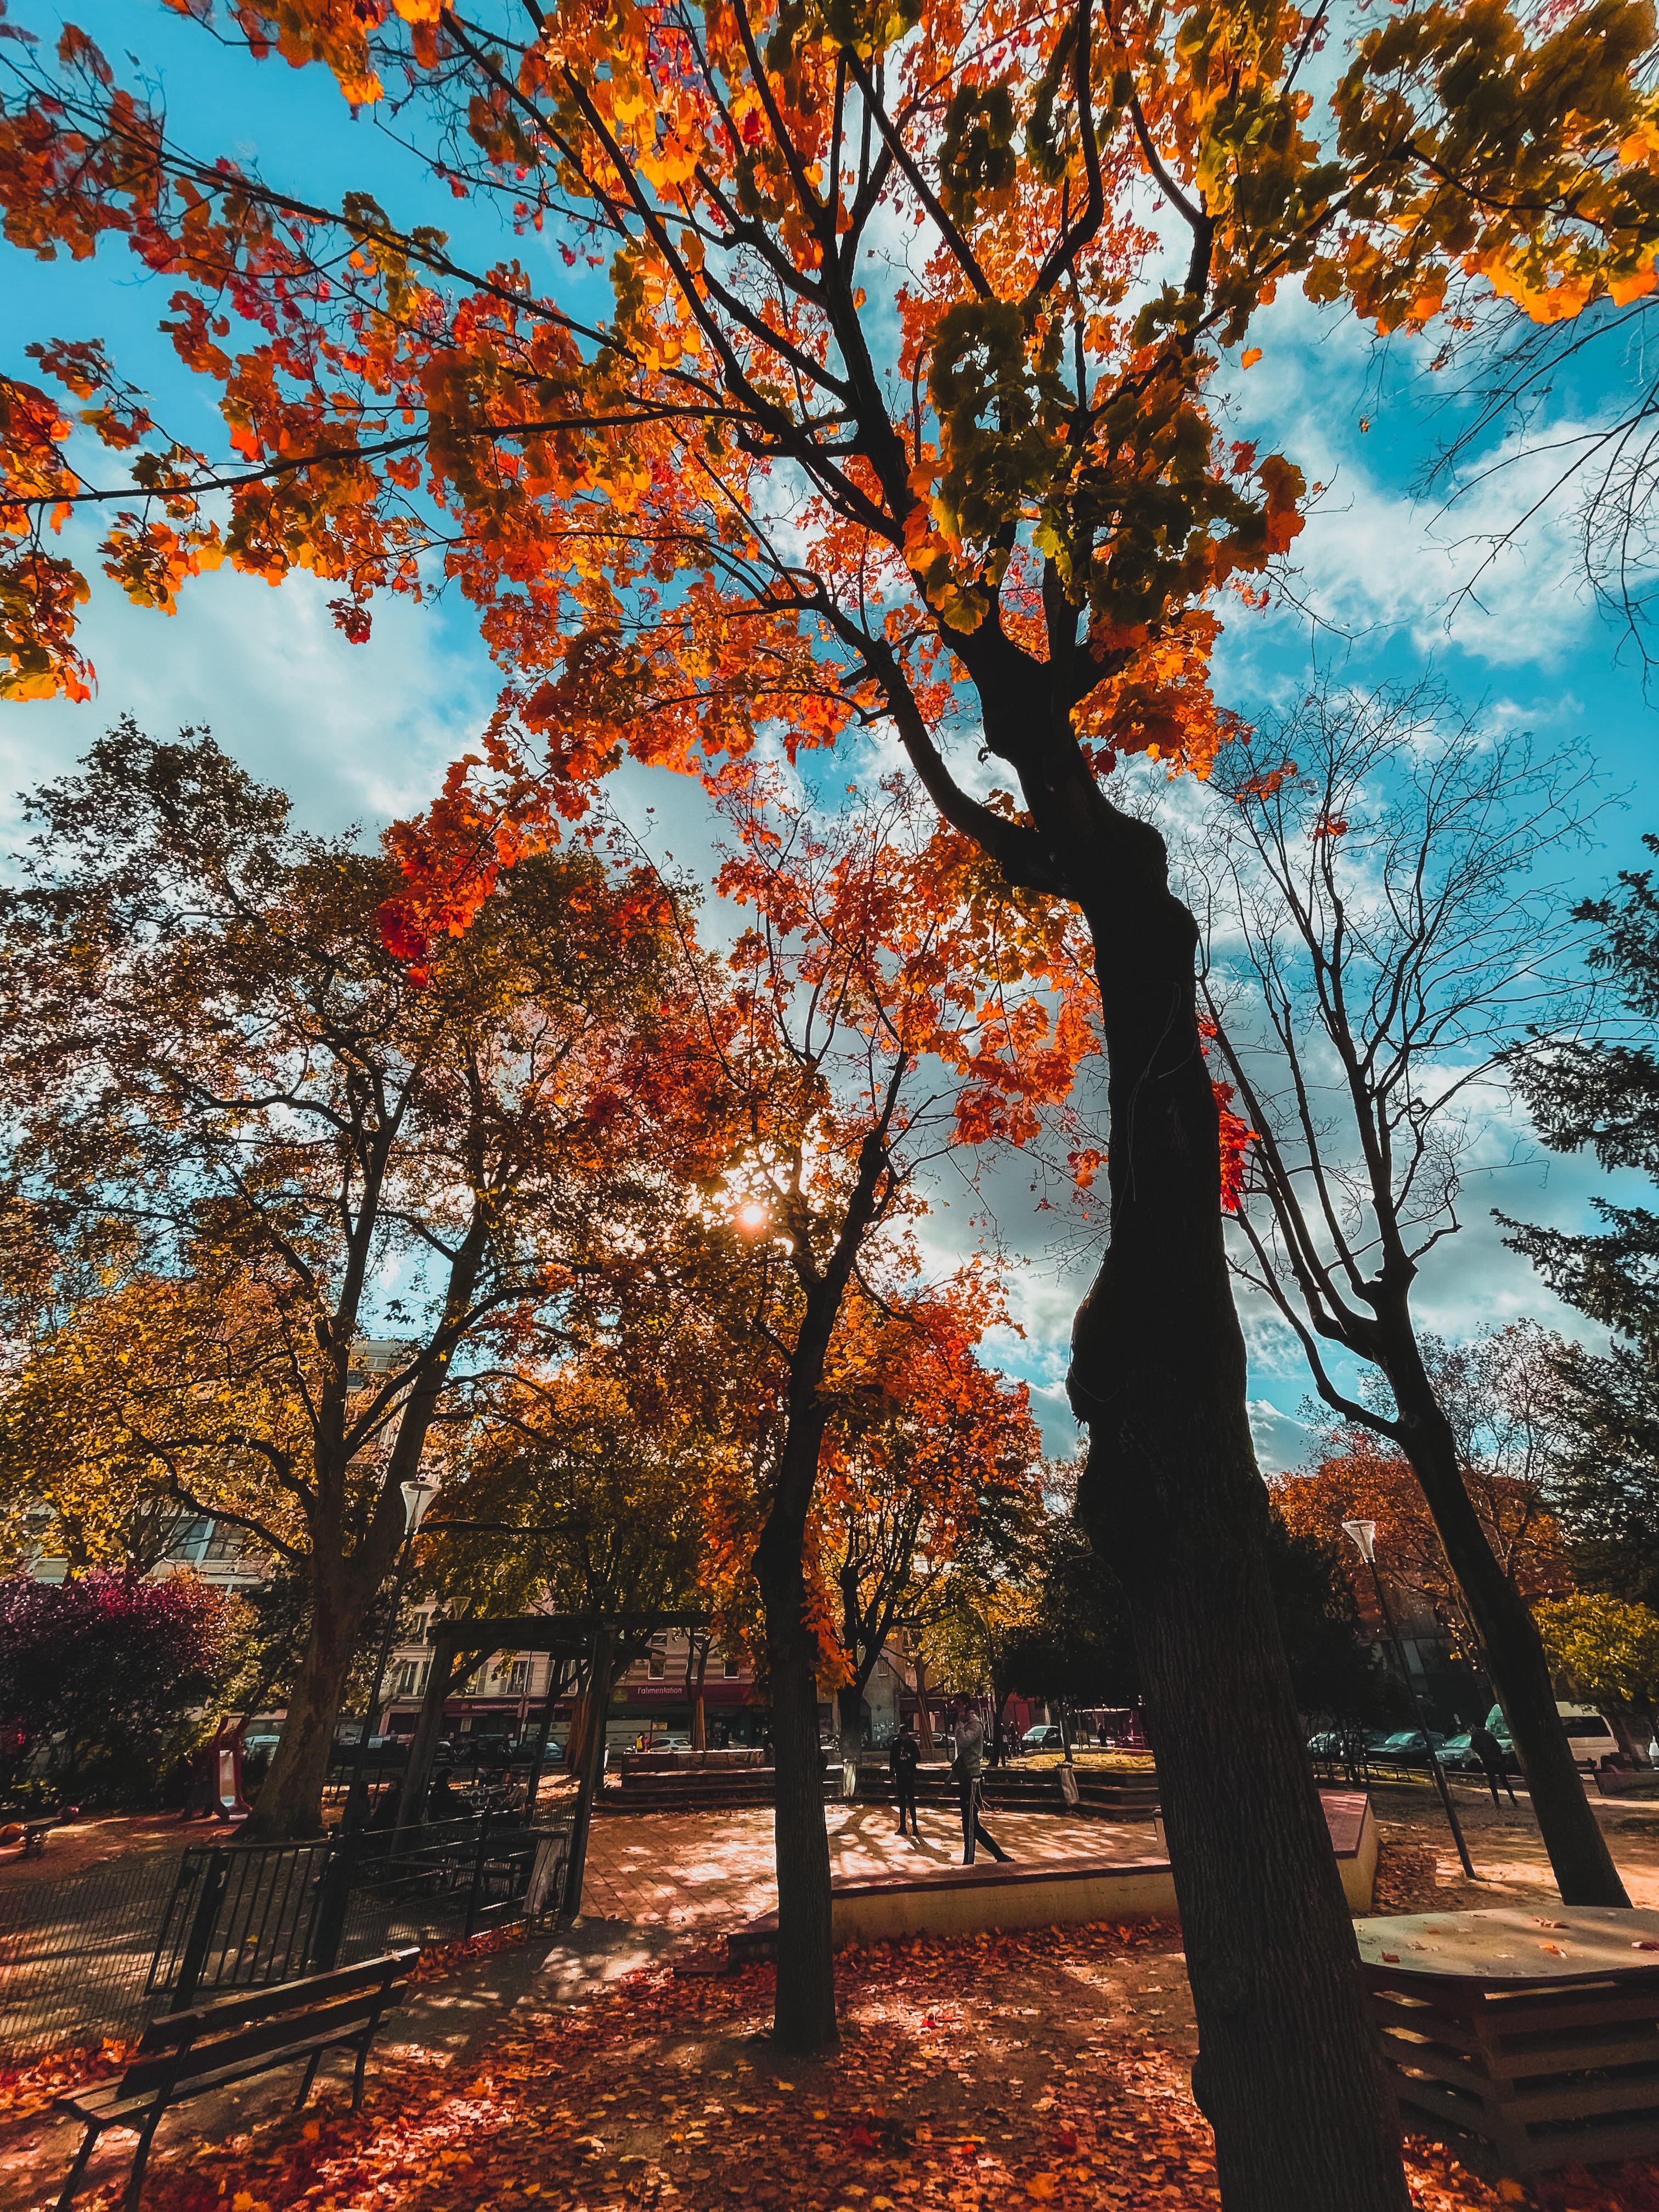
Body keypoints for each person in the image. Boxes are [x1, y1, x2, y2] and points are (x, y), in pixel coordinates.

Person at [950, 1700, 1010, 1866]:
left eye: (960, 1709)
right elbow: (960, 1754)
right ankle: (999, 1855)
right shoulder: (966, 1725)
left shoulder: (975, 1726)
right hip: (965, 1778)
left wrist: (960, 1724)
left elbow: (963, 1742)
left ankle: (969, 1860)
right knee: (971, 1824)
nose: (957, 1713)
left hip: (973, 1780)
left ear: (967, 1709)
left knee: (970, 1825)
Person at [1470, 1722, 1516, 1809]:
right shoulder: (1489, 1734)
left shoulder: (1475, 1735)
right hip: (1497, 1760)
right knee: (1504, 1779)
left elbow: (1473, 1746)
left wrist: (1481, 1754)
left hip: (1488, 1761)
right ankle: (1513, 1798)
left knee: (1492, 1781)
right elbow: (1498, 1746)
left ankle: (1497, 1802)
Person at [890, 1719, 922, 1840]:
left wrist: (910, 1757)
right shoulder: (896, 1743)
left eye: (905, 1735)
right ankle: (903, 1827)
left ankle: (915, 1827)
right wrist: (891, 1772)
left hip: (910, 1775)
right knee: (902, 1803)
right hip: (900, 1775)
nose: (903, 1738)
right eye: (901, 1735)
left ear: (907, 1734)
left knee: (912, 1803)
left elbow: (918, 1758)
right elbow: (892, 1759)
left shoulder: (913, 1744)